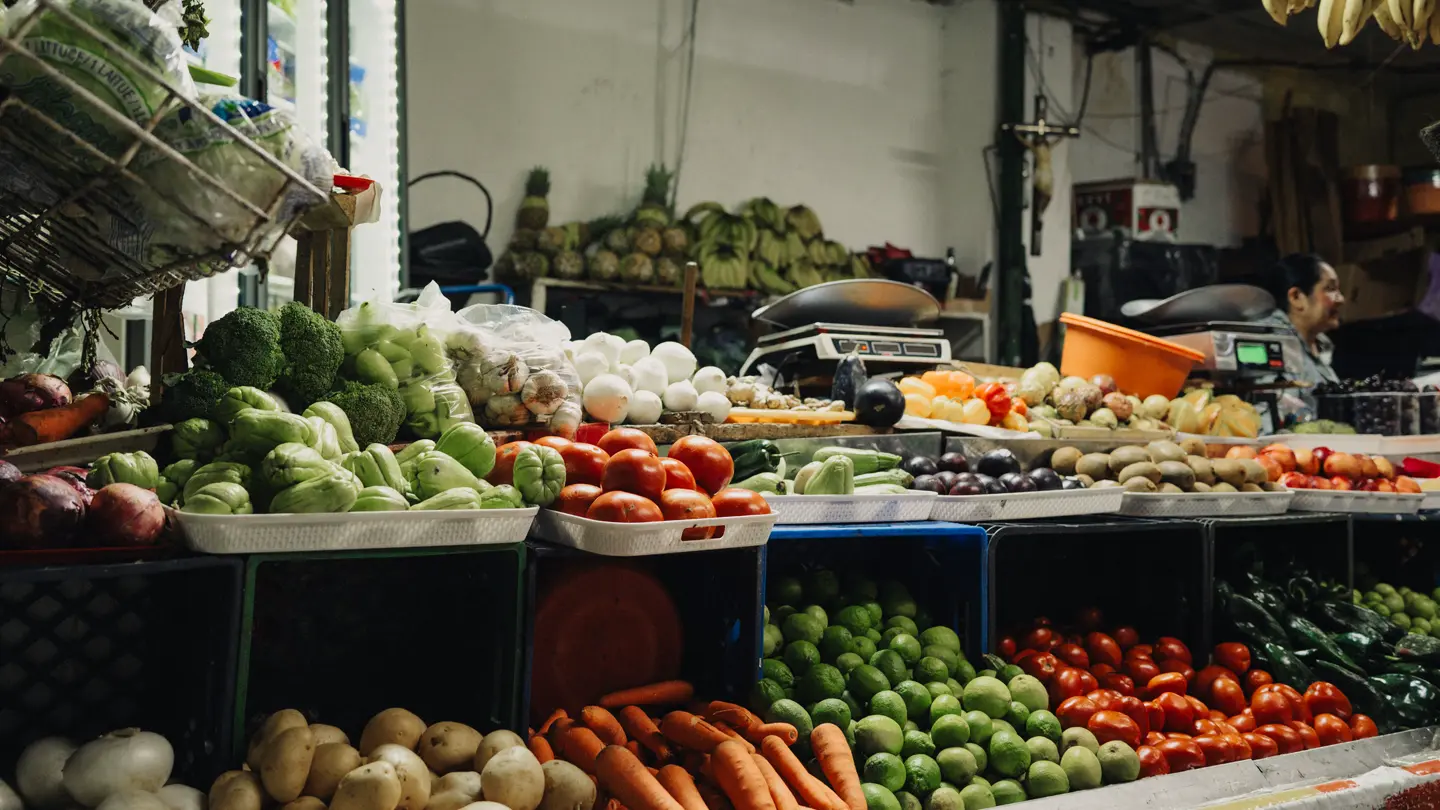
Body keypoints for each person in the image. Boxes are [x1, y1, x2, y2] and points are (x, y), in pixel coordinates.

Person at [1259, 253, 1345, 410]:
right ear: (1296, 297)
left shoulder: (1319, 346)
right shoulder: (1271, 343)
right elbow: (1274, 414)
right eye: (1330, 288)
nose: (1341, 299)